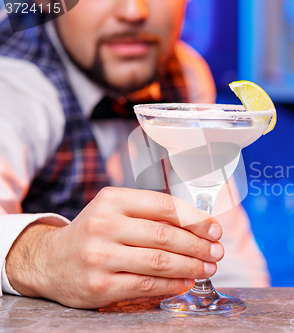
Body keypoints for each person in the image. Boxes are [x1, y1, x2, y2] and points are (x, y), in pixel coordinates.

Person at [0, 0, 269, 309]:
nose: (133, 11)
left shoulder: (185, 73)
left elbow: (231, 255)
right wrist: (40, 257)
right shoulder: (12, 79)